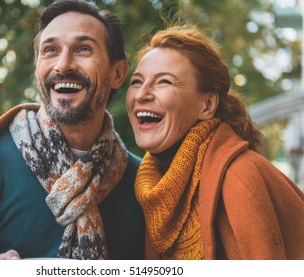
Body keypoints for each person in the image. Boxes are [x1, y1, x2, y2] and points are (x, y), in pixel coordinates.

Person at [0, 0, 145, 260]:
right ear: (37, 68)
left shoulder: (142, 182)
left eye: (83, 49)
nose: (63, 65)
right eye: (50, 50)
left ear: (118, 73)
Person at [126, 24, 304, 260]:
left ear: (207, 105)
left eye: (164, 82)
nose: (141, 94)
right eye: (136, 82)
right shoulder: (153, 183)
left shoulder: (240, 176)